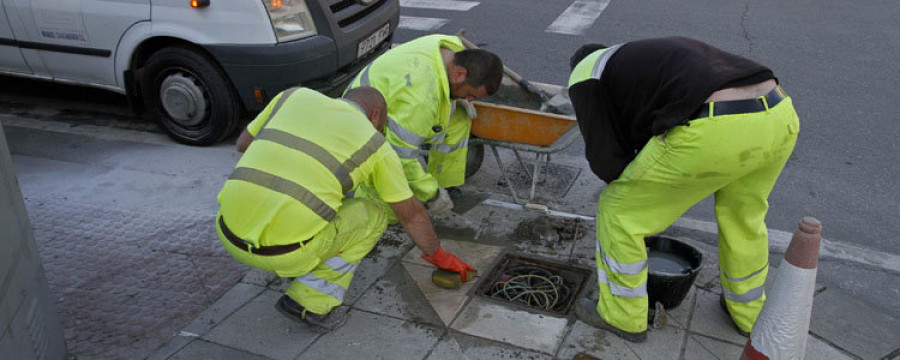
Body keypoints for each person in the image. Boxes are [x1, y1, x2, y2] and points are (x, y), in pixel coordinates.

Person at [567, 36, 800, 343]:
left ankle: (621, 315)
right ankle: (748, 312)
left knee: (620, 211)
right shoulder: (639, 58)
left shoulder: (585, 74)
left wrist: (637, 193)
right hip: (779, 114)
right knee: (744, 216)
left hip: (717, 127)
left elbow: (606, 162)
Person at [216, 86, 475, 333]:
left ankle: (289, 249)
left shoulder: (292, 96)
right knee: (374, 214)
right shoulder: (375, 144)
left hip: (228, 233)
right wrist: (436, 255)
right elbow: (411, 214)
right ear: (375, 116)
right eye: (382, 126)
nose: (381, 131)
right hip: (284, 254)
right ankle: (311, 303)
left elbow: (243, 144)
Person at [345, 34, 504, 219]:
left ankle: (446, 185)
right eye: (470, 94)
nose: (470, 100)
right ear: (459, 74)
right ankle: (355, 194)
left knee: (460, 115)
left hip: (389, 101)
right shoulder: (420, 99)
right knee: (395, 214)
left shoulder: (451, 48)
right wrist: (430, 194)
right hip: (359, 130)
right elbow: (402, 155)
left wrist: (439, 188)